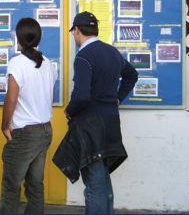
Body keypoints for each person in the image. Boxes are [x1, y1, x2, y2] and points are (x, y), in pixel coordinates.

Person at [53, 11, 138, 214]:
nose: (74, 36)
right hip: (110, 122)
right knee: (102, 177)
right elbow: (132, 75)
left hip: (91, 124)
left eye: (74, 32)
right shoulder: (112, 52)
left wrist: (69, 110)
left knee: (94, 183)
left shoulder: (84, 56)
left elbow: (82, 96)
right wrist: (117, 98)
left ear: (78, 30)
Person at [0, 18, 57, 214]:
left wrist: (4, 125)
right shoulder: (48, 64)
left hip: (25, 133)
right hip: (45, 130)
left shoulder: (17, 63)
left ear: (18, 38)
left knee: (11, 185)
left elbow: (11, 98)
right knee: (35, 184)